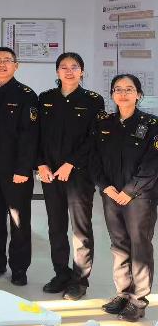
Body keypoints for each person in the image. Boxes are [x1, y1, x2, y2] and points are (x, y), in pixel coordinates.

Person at [90, 74, 158, 323]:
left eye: (129, 89)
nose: (123, 93)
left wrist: (129, 191)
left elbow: (152, 163)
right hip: (111, 195)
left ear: (138, 94)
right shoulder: (104, 123)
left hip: (139, 197)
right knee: (118, 244)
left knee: (140, 246)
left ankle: (138, 300)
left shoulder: (151, 124)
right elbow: (93, 158)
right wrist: (105, 187)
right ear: (112, 94)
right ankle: (123, 293)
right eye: (118, 89)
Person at [37, 52, 105, 301]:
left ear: (82, 72)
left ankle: (79, 281)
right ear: (57, 72)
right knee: (55, 226)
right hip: (50, 173)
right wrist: (40, 164)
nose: (69, 71)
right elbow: (37, 135)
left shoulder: (93, 100)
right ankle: (61, 274)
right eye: (63, 67)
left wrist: (71, 163)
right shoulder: (45, 98)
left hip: (79, 174)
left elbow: (94, 137)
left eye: (74, 67)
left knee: (80, 229)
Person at [0, 46, 38, 286]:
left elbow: (30, 136)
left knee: (19, 223)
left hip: (15, 172)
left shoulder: (26, 94)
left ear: (16, 65)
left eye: (7, 60)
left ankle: (19, 268)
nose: (2, 64)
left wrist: (23, 169)